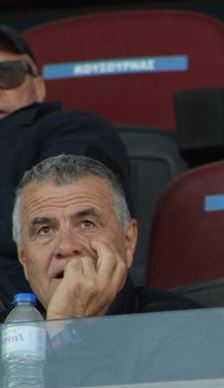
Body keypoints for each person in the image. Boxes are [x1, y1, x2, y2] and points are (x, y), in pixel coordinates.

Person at [0, 25, 131, 308]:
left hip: (28, 306)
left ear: (38, 86)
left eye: (7, 75)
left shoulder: (71, 127)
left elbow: (58, 210)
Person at [10, 154, 193, 320]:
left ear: (128, 241)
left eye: (87, 224)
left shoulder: (183, 324)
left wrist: (66, 323)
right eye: (45, 230)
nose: (66, 247)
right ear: (23, 258)